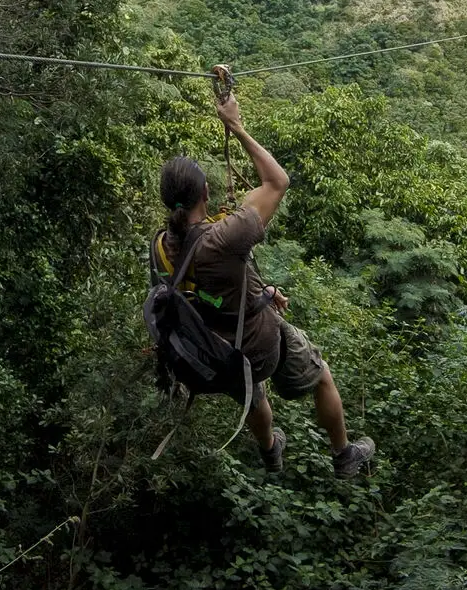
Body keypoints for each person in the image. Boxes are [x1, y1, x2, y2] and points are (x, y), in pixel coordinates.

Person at [154, 88, 376, 477]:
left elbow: (202, 291)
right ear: (206, 193)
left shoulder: (162, 243)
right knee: (320, 373)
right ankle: (344, 456)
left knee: (251, 390)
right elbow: (277, 182)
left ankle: (271, 451)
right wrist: (235, 126)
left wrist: (260, 294)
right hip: (257, 347)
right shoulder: (223, 238)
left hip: (216, 351)